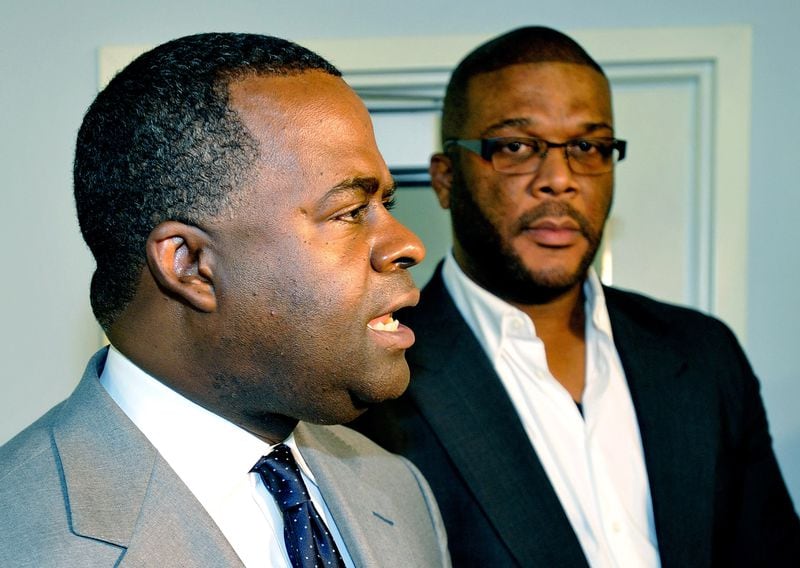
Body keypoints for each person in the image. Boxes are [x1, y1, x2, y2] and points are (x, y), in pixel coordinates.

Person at [351, 26, 800, 567]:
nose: (559, 179)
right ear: (446, 180)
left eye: (589, 147)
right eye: (515, 147)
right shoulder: (376, 378)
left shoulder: (703, 353)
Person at [0, 33, 451, 568]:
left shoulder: (397, 490)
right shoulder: (26, 534)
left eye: (388, 202)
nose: (409, 244)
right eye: (350, 211)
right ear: (189, 264)